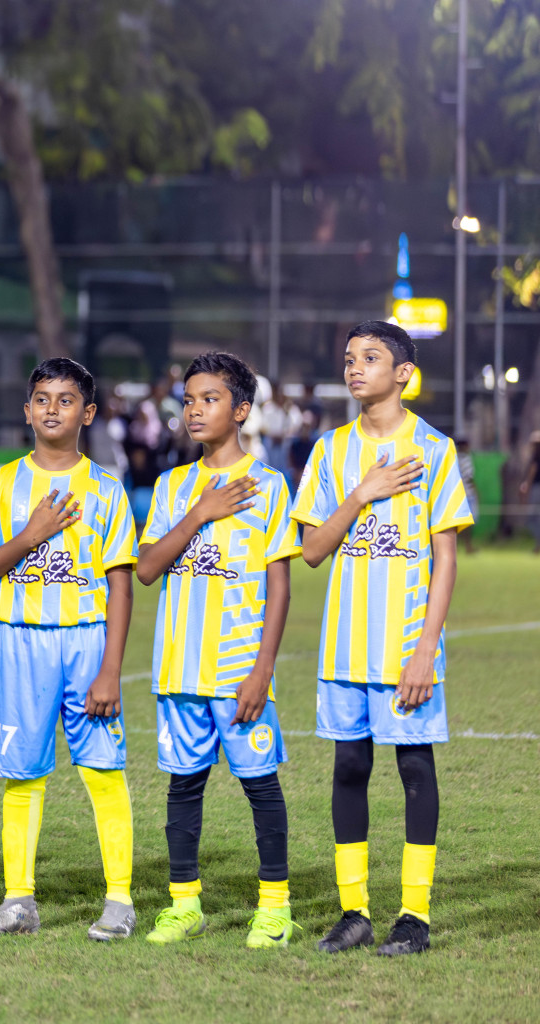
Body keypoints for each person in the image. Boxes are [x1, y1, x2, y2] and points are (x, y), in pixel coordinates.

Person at [293, 321, 472, 957]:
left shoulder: (433, 449)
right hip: (344, 648)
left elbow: (446, 557)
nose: (355, 368)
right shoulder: (329, 451)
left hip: (406, 650)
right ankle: (354, 913)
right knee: (349, 767)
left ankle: (415, 918)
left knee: (415, 768)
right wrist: (361, 493)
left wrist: (427, 647)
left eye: (371, 358)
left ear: (402, 373)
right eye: (349, 358)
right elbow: (312, 549)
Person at [0, 357, 139, 942]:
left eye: (65, 400)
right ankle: (18, 903)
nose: (52, 408)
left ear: (87, 413)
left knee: (103, 770)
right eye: (42, 398)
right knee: (22, 774)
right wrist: (31, 536)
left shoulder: (106, 489)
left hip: (87, 643)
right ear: (27, 408)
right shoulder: (3, 484)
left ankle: (119, 901)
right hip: (19, 643)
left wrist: (111, 667)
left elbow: (119, 583)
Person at [135, 352, 301, 948]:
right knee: (184, 786)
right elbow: (148, 569)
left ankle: (275, 907)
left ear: (242, 410)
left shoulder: (269, 486)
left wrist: (263, 670)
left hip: (238, 673)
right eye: (189, 399)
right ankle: (184, 905)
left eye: (209, 398)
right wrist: (199, 513)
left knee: (260, 785)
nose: (195, 409)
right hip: (179, 669)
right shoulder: (173, 485)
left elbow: (279, 589)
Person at [453, 437, 479, 555]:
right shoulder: (466, 459)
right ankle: (468, 546)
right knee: (468, 522)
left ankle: (454, 546)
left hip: (455, 493)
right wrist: (476, 490)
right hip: (467, 493)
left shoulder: (453, 457)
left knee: (455, 521)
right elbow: (469, 477)